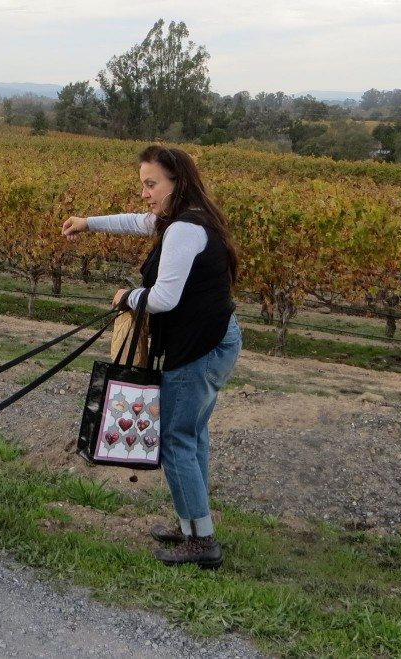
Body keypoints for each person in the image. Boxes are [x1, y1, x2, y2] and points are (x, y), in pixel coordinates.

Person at [61, 145, 241, 569]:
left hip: (198, 347)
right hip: (215, 340)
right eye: (142, 183)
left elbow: (163, 298)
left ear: (176, 182)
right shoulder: (188, 218)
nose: (144, 193)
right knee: (192, 435)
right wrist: (89, 223)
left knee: (177, 440)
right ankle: (194, 527)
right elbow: (137, 222)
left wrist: (128, 297)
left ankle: (203, 543)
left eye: (150, 184)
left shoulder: (183, 229)